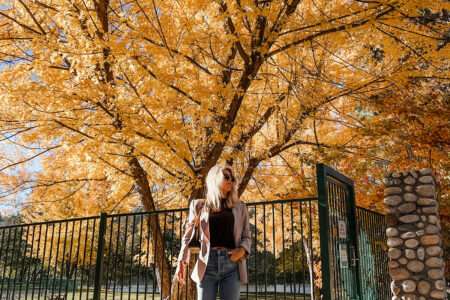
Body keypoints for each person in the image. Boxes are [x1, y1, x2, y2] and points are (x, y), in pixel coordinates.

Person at [176, 164, 251, 300]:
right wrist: (181, 260)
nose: (231, 180)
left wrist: (242, 250)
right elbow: (187, 236)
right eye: (226, 176)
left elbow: (247, 235)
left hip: (231, 265)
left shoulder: (240, 207)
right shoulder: (198, 205)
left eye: (232, 178)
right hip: (206, 263)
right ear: (214, 178)